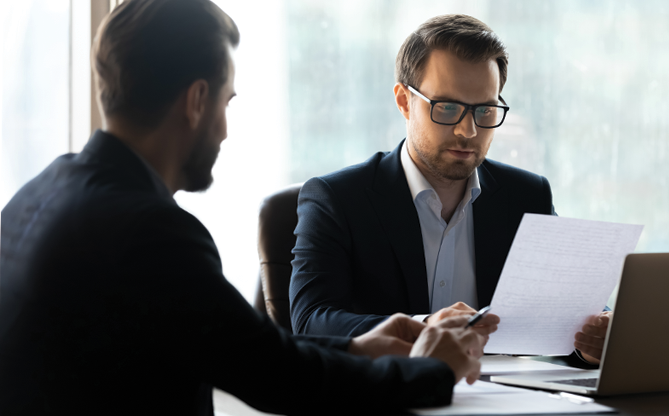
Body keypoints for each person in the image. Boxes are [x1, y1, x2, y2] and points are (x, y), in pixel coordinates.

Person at [0, 2, 493, 415]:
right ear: (196, 101)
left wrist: (357, 347)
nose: (225, 130)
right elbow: (278, 378)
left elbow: (241, 346)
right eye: (227, 102)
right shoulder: (149, 231)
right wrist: (432, 369)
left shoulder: (43, 191)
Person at [289, 14, 611, 364]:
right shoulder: (337, 199)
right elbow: (310, 322)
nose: (468, 130)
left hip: (509, 400)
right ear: (403, 101)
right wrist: (424, 329)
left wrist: (594, 339)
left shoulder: (526, 196)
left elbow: (573, 308)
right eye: (447, 107)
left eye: (485, 111)